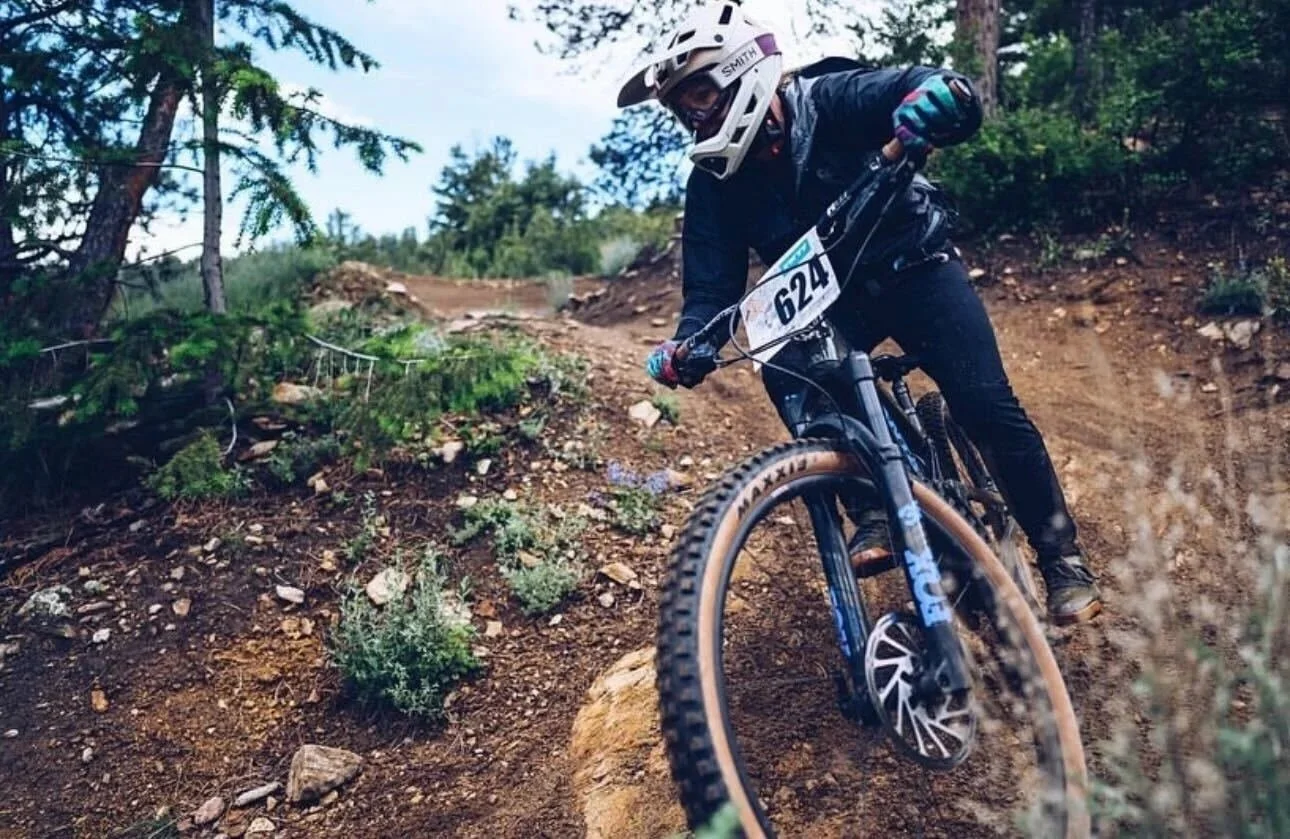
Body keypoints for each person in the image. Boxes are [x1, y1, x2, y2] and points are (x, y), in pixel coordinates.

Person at [616, 0, 1102, 625]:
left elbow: (918, 85)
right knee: (785, 368)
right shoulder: (712, 183)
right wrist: (690, 345)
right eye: (682, 107)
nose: (692, 115)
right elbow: (709, 293)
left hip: (913, 267)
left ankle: (1060, 557)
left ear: (742, 72)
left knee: (983, 402)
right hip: (828, 304)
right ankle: (869, 502)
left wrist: (940, 97)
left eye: (701, 94)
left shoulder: (828, 98)